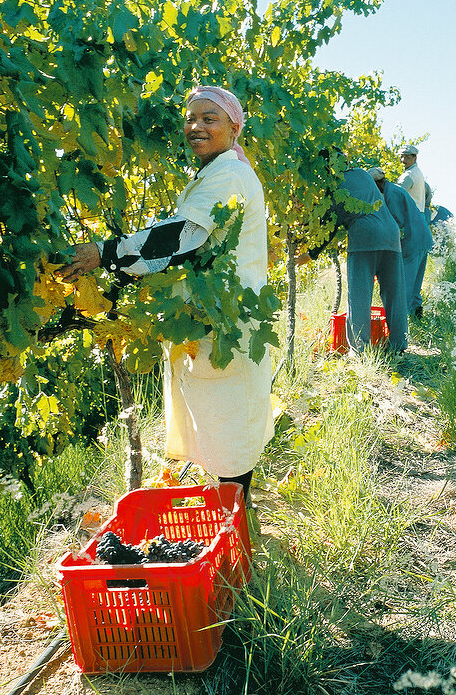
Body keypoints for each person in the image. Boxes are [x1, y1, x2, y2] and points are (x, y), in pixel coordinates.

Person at [56, 85, 271, 505]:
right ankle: (235, 519)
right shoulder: (218, 172)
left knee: (228, 429)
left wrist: (105, 253)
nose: (196, 126)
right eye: (190, 119)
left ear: (234, 126)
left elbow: (182, 236)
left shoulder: (227, 173)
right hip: (216, 316)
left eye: (209, 118)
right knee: (225, 425)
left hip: (223, 320)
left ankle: (235, 533)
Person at [299, 157, 408, 354]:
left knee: (359, 296)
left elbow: (329, 225)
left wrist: (311, 254)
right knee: (395, 294)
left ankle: (360, 351)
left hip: (364, 238)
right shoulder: (362, 174)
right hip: (391, 234)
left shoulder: (336, 187)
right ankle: (399, 346)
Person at [369, 167, 432, 326]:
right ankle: (418, 325)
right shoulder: (394, 189)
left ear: (377, 183)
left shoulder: (392, 195)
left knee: (403, 288)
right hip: (422, 238)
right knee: (414, 287)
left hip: (413, 242)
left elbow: (396, 223)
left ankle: (398, 334)